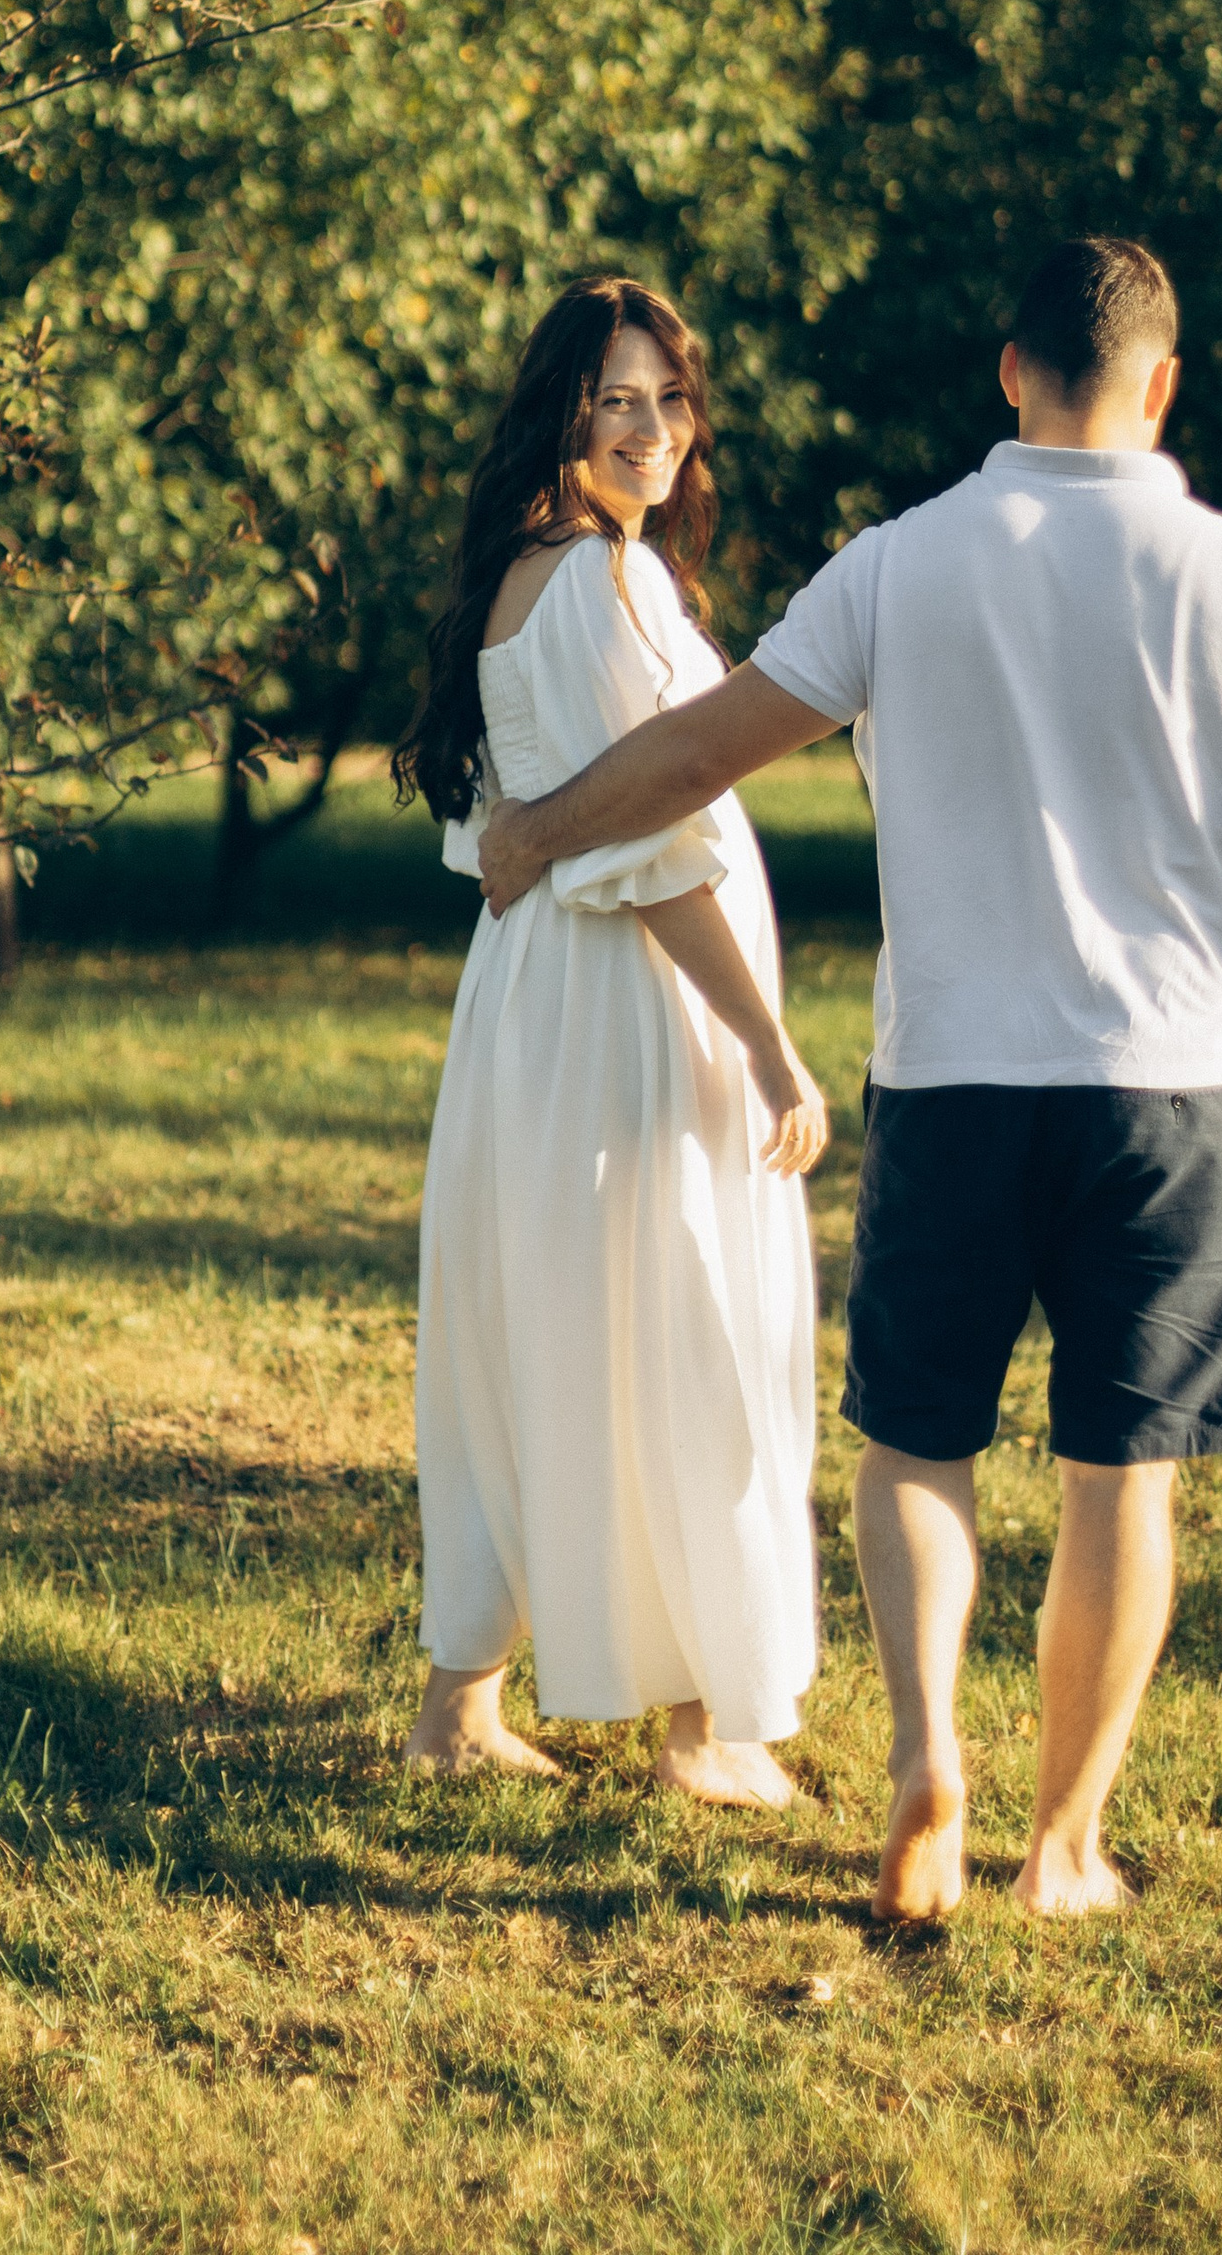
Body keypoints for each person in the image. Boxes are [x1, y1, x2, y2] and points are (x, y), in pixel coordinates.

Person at [478, 237, 1222, 1914]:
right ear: (1161, 386)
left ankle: (928, 1761)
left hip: (949, 1085)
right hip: (1170, 1093)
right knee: (1120, 1473)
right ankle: (1062, 1844)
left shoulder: (898, 566)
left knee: (919, 1450)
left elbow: (703, 750)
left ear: (1009, 374)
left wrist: (539, 834)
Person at [395, 276, 833, 1805]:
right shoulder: (597, 585)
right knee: (686, 1334)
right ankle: (704, 1728)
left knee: (548, 1335)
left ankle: (464, 1701)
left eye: (669, 399)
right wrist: (769, 1047)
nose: (651, 429)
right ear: (562, 418)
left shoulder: (536, 577)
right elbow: (651, 854)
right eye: (615, 402)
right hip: (629, 1017)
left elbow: (500, 835)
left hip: (538, 1006)